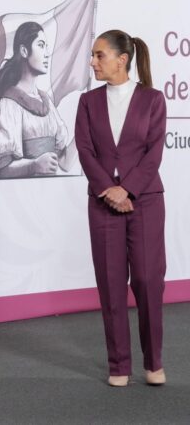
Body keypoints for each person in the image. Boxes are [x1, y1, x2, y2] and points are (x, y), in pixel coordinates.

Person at [75, 30, 167, 387]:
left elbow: (153, 153)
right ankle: (119, 366)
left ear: (122, 59)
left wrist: (126, 189)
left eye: (99, 55)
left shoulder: (153, 99)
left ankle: (154, 362)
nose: (93, 62)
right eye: (93, 55)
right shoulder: (88, 102)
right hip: (102, 203)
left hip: (145, 201)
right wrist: (109, 190)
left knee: (147, 281)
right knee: (111, 284)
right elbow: (85, 150)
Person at [0, 21, 74, 179]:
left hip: (50, 190)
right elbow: (1, 170)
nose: (47, 53)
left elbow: (64, 163)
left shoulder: (46, 102)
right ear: (24, 51)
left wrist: (86, 128)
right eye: (41, 45)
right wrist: (34, 165)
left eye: (46, 46)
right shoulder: (9, 104)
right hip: (22, 192)